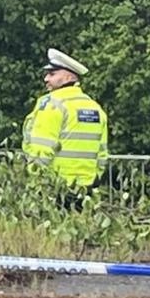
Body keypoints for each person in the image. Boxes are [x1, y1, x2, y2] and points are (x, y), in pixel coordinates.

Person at [22, 48, 108, 203]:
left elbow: (41, 148)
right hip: (85, 189)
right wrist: (94, 179)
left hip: (55, 187)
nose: (46, 79)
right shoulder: (94, 107)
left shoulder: (51, 104)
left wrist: (35, 180)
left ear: (68, 76)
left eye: (52, 74)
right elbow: (102, 154)